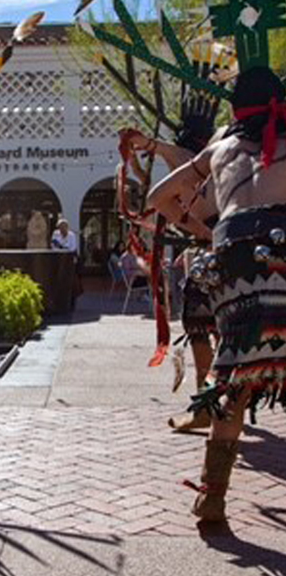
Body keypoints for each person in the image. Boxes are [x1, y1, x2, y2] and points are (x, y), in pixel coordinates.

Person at [148, 66, 286, 521]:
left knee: (236, 382)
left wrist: (210, 232)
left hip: (235, 261)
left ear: (234, 109)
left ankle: (212, 496)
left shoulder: (220, 149)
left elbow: (157, 198)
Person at [122, 127, 219, 431]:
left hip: (216, 253)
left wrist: (150, 144)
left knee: (208, 330)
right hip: (217, 249)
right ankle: (214, 402)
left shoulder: (204, 158)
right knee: (209, 330)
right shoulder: (227, 158)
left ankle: (212, 405)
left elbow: (174, 155)